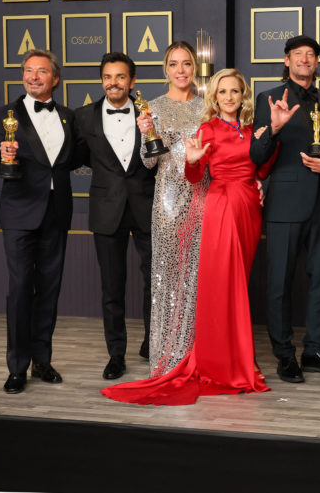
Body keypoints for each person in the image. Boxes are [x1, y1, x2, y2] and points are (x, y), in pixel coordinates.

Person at [101, 69, 272, 405]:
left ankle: (239, 360)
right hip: (220, 209)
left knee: (240, 286)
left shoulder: (253, 131)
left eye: (235, 92)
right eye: (222, 92)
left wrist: (269, 145)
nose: (229, 97)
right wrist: (192, 161)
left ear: (243, 96)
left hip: (248, 212)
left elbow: (262, 170)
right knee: (226, 288)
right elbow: (195, 176)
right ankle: (226, 365)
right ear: (215, 97)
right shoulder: (207, 128)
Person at [250, 35, 320, 383]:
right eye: (298, 54)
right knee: (278, 283)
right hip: (284, 203)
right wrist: (274, 130)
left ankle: (314, 350)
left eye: (310, 55)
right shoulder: (267, 98)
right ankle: (284, 355)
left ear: (317, 62)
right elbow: (257, 156)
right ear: (287, 60)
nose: (305, 59)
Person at [0, 49, 77, 394]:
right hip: (20, 214)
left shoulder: (68, 116)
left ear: (55, 78)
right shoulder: (2, 115)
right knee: (21, 290)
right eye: (28, 70)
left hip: (57, 213)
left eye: (41, 71)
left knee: (49, 291)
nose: (33, 76)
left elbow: (73, 158)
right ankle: (17, 367)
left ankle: (43, 361)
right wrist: (1, 155)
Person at [73, 52, 154, 380]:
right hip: (107, 210)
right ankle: (116, 354)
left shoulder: (150, 112)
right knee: (112, 287)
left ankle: (153, 344)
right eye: (108, 77)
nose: (113, 83)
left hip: (147, 208)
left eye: (120, 77)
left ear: (132, 81)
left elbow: (159, 154)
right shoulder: (83, 117)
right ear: (102, 80)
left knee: (155, 282)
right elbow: (81, 158)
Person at [136, 41, 206, 377]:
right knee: (167, 276)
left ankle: (197, 355)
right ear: (165, 69)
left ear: (195, 69)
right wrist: (147, 133)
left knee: (198, 277)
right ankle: (166, 356)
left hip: (202, 198)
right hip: (166, 200)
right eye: (174, 64)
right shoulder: (153, 107)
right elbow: (149, 161)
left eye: (187, 64)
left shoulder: (209, 108)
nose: (181, 70)